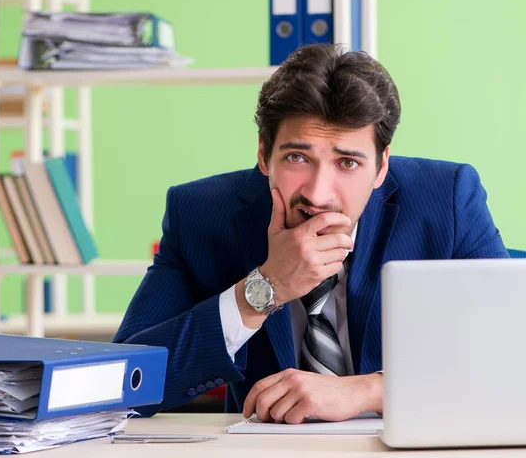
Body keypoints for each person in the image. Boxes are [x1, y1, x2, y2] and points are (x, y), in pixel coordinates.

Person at [113, 43, 508, 423]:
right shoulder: (201, 216)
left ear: (381, 167)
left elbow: (512, 359)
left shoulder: (448, 200)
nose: (318, 194)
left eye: (348, 163)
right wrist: (263, 290)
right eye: (297, 157)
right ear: (264, 154)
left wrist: (369, 391)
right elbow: (118, 383)